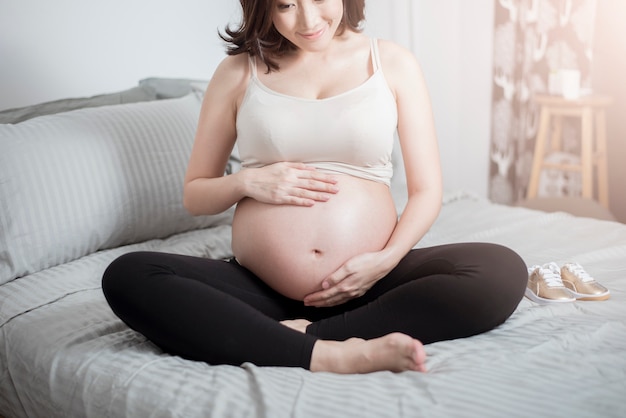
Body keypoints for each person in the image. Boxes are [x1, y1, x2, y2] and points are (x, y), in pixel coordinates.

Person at [102, 0, 527, 374]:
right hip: (260, 287)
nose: (307, 19)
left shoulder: (392, 63)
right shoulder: (238, 71)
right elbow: (195, 195)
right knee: (129, 275)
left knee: (501, 269)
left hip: (369, 282)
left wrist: (384, 260)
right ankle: (332, 354)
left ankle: (309, 334)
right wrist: (247, 181)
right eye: (285, 5)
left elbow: (427, 191)